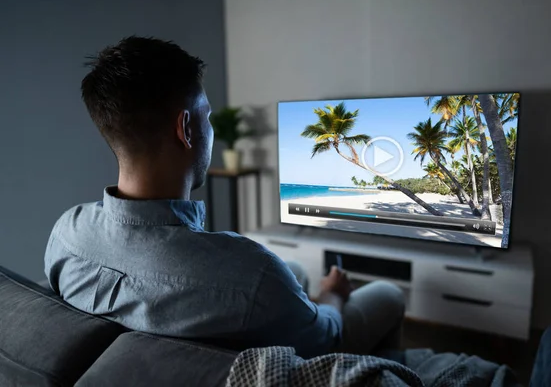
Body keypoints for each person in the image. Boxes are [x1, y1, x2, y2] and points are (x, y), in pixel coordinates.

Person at [44, 36, 405, 358]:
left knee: (291, 272)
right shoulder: (251, 272)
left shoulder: (66, 233)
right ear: (186, 129)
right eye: (208, 117)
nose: (211, 130)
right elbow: (325, 339)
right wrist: (333, 295)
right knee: (388, 294)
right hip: (311, 340)